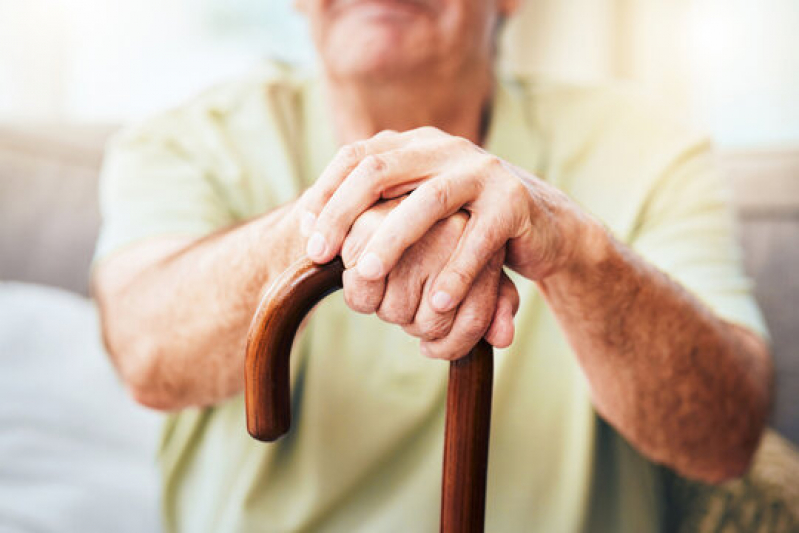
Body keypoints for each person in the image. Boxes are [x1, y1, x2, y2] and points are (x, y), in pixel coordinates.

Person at [92, 1, 773, 531]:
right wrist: (343, 214)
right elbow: (148, 357)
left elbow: (721, 439)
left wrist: (574, 248)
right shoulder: (187, 140)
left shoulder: (645, 144)